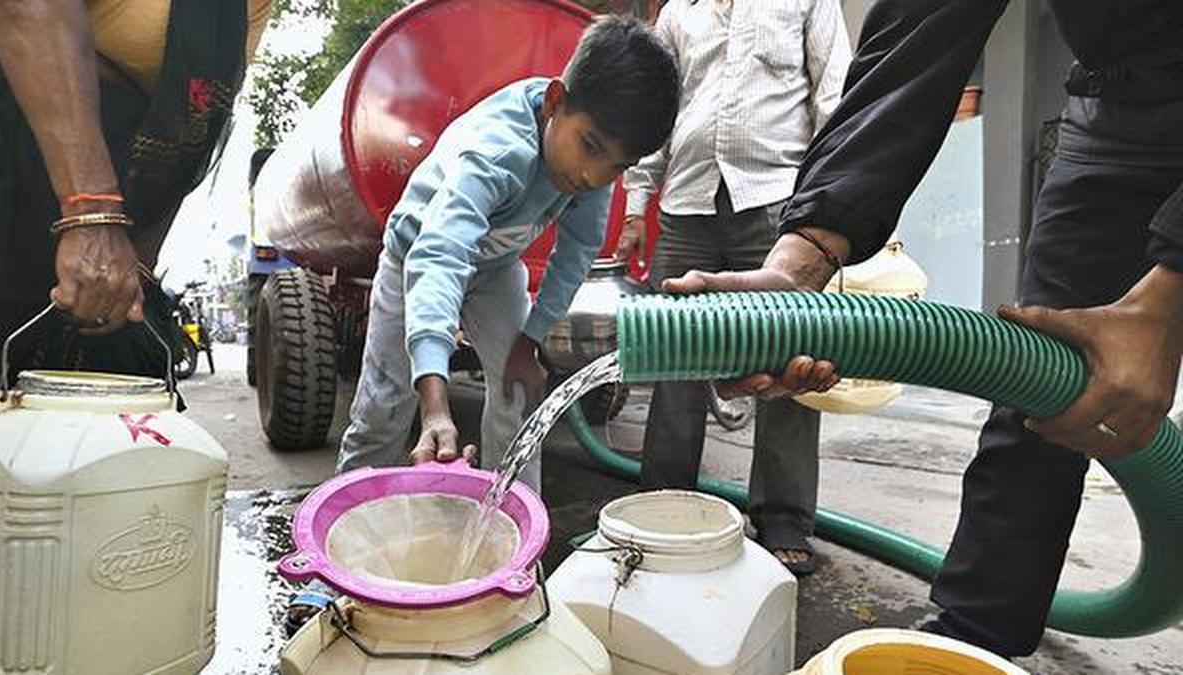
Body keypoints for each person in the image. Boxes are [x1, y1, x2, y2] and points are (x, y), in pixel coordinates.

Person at [662, 0, 1183, 660]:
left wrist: (1167, 302)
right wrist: (804, 257)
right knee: (1044, 378)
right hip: (1119, 101)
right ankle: (971, 641)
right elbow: (918, 24)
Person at [284, 15, 681, 633]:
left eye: (616, 165)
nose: (593, 175)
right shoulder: (495, 150)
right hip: (417, 254)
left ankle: (515, 554)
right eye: (590, 146)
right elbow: (440, 258)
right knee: (385, 405)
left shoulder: (593, 169)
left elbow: (576, 254)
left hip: (495, 269)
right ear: (555, 102)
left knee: (521, 394)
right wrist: (435, 404)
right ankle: (332, 566)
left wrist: (530, 341)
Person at [616, 0, 849, 575]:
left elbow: (834, 97)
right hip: (686, 204)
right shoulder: (678, 13)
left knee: (792, 360)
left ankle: (784, 517)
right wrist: (637, 205)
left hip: (778, 202)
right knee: (674, 358)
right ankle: (662, 501)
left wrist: (831, 208)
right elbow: (656, 109)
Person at [0, 0, 270, 399]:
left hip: (120, 191)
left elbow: (198, 119)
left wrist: (137, 274)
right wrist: (90, 213)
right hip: (9, 153)